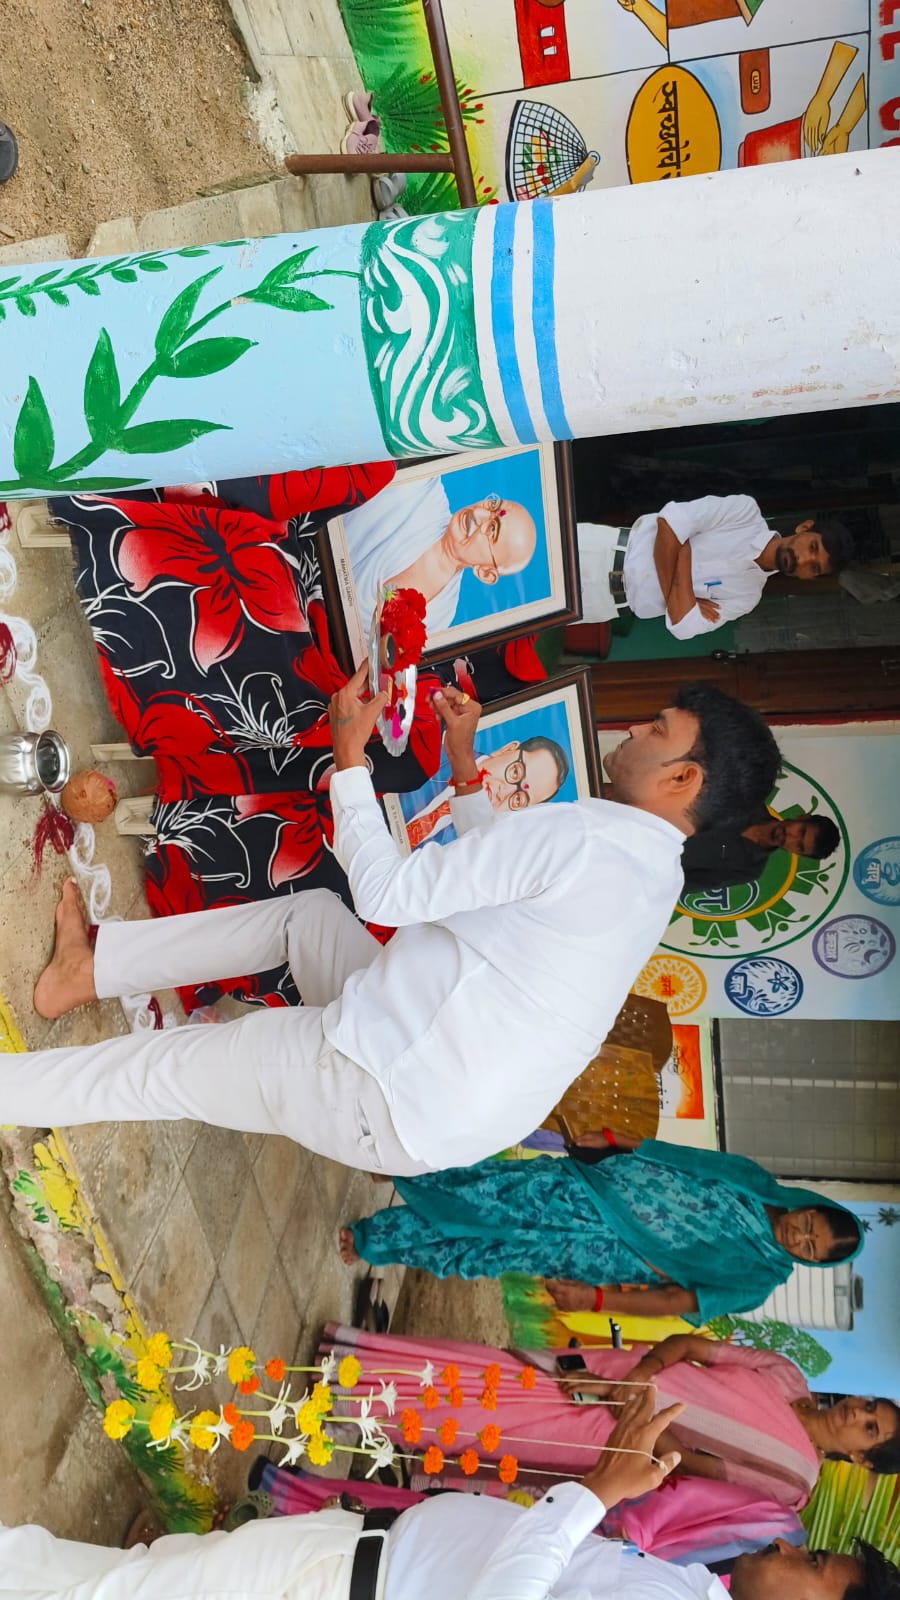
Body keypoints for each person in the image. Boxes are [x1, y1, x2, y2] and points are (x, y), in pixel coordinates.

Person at [4, 678, 779, 1175]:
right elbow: (500, 884)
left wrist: (348, 756)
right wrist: (466, 766)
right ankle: (88, 971)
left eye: (658, 728)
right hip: (433, 1095)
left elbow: (384, 893)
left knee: (161, 1071)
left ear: (683, 777)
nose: (637, 728)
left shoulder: (592, 836)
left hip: (381, 1080)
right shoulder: (652, 872)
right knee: (308, 918)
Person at [1, 1389, 897, 1600]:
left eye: (813, 1561)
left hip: (344, 1586)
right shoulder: (695, 1589)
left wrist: (594, 1493)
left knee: (116, 1593)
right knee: (129, 1574)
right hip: (358, 1558)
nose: (787, 1547)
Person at [256, 1324, 900, 1564]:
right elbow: (693, 1347)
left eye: (869, 1429)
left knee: (489, 1425)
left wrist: (635, 1409)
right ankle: (349, 1369)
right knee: (492, 1372)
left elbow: (697, 1466)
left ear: (860, 1459)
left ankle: (349, 1412)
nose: (858, 1413)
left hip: (613, 1438)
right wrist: (639, 1374)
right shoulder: (789, 1377)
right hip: (614, 1372)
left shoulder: (793, 1484)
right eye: (870, 1406)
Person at [341, 1138, 863, 1316]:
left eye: (810, 1248)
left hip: (597, 1251)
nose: (798, 1237)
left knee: (491, 1248)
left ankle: (378, 1240)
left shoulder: (756, 1283)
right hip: (594, 1187)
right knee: (494, 1188)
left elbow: (675, 1301)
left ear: (811, 1262)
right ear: (809, 1206)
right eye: (809, 1224)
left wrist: (596, 1301)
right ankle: (407, 1170)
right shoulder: (753, 1180)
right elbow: (681, 1159)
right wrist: (619, 1143)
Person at [576, 496, 853, 639]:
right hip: (597, 549)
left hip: (601, 605)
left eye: (814, 568)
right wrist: (683, 597)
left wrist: (684, 548)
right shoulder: (745, 513)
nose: (803, 560)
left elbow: (683, 627)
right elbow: (669, 522)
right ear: (804, 527)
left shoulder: (746, 597)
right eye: (812, 547)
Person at [342, 476, 537, 632]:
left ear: (485, 573)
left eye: (492, 530)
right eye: (492, 505)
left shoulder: (441, 615)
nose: (478, 513)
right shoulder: (420, 486)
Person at [404, 733, 570, 848]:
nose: (503, 792)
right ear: (507, 749)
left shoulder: (469, 850)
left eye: (519, 799)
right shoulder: (440, 748)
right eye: (515, 772)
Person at [681, 806, 841, 895]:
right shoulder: (748, 801)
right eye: (800, 831)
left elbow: (683, 884)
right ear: (802, 817)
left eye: (799, 846)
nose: (790, 838)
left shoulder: (749, 870)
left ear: (798, 854)